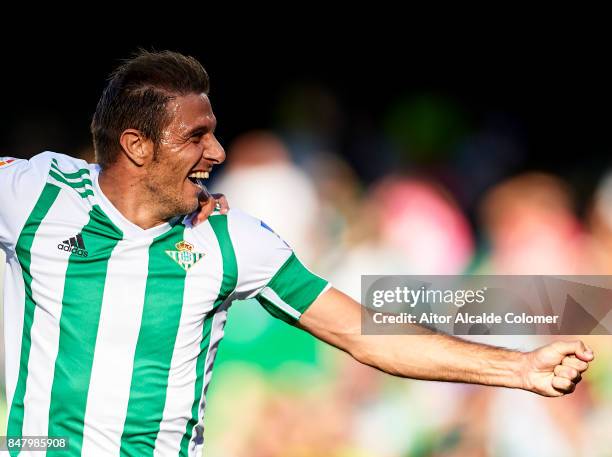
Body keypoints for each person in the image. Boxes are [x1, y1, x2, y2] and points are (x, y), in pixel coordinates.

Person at [0, 50, 593, 457]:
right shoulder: (33, 195)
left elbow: (363, 332)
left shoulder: (232, 240)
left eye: (214, 130)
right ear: (135, 145)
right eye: (195, 137)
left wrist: (517, 368)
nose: (217, 150)